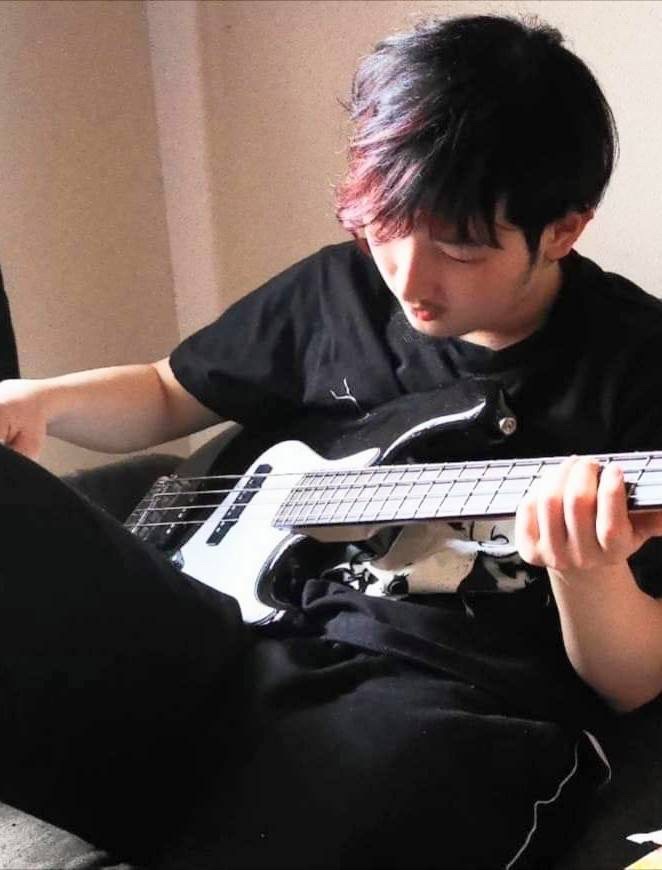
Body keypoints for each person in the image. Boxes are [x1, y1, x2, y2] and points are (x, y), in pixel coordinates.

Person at [1, 12, 662, 870]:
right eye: (385, 225)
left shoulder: (638, 368)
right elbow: (170, 389)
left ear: (564, 229)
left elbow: (635, 682)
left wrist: (588, 571)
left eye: (461, 249)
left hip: (429, 702)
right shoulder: (337, 290)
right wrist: (42, 400)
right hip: (226, 640)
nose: (409, 279)